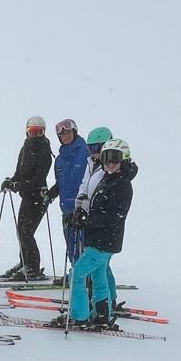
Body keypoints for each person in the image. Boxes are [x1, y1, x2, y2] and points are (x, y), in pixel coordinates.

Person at [59, 138, 136, 329]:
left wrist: (87, 220)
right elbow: (97, 207)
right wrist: (79, 215)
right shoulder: (109, 179)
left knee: (77, 274)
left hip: (104, 241)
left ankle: (79, 316)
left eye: (115, 158)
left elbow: (113, 216)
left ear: (124, 159)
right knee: (98, 276)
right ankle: (102, 314)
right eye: (106, 158)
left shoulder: (122, 184)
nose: (109, 163)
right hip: (100, 239)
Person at [0, 116, 54, 280]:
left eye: (38, 132)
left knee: (27, 232)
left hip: (38, 197)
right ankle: (24, 261)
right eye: (32, 131)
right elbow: (19, 173)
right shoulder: (25, 148)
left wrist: (17, 185)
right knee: (21, 231)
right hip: (27, 197)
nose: (34, 135)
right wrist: (11, 181)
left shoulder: (44, 150)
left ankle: (33, 267)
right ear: (27, 132)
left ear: (43, 132)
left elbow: (38, 179)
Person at [67, 127, 114, 264]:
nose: (94, 152)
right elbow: (84, 186)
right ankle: (86, 274)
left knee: (97, 258)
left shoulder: (110, 168)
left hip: (99, 219)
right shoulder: (90, 163)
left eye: (97, 148)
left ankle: (83, 274)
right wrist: (78, 208)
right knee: (95, 259)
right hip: (87, 218)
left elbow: (101, 194)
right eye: (90, 148)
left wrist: (88, 212)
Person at [47, 119, 89, 261]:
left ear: (74, 132)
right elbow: (61, 183)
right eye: (62, 135)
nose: (65, 136)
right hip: (67, 210)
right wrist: (51, 193)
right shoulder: (59, 159)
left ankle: (89, 273)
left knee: (86, 249)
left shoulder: (86, 152)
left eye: (68, 132)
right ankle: (75, 270)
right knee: (72, 249)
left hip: (84, 210)